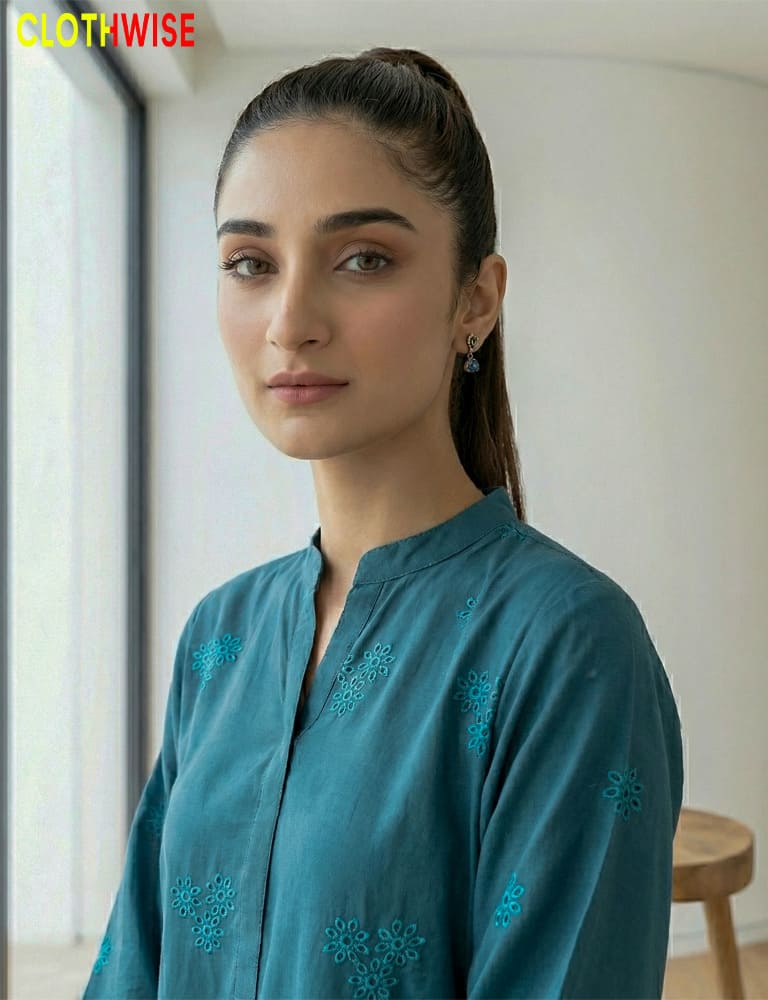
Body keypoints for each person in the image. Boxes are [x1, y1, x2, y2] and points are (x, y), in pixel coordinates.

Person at [82, 46, 683, 1000]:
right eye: (250, 263)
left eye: (363, 259)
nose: (290, 320)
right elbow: (135, 967)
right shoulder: (221, 638)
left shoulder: (570, 645)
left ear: (475, 300)